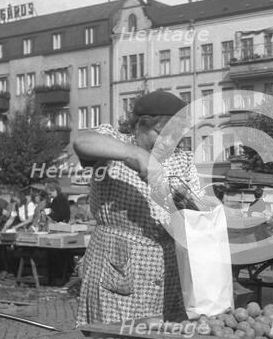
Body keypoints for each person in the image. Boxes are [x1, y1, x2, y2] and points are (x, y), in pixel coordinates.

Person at [73, 89, 197, 326]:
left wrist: (188, 206)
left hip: (167, 269)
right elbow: (82, 142)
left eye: (178, 135)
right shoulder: (115, 143)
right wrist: (139, 155)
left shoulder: (183, 160)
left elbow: (199, 210)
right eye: (166, 134)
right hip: (118, 266)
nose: (173, 142)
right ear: (143, 124)